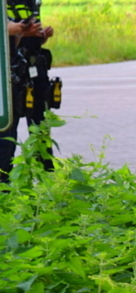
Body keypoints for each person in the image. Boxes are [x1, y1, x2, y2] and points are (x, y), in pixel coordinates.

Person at [0, 0, 53, 182]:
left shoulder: (31, 3)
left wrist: (35, 35)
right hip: (7, 77)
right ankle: (5, 180)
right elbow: (7, 28)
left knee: (39, 123)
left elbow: (13, 41)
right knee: (7, 130)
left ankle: (46, 174)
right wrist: (15, 29)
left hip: (27, 68)